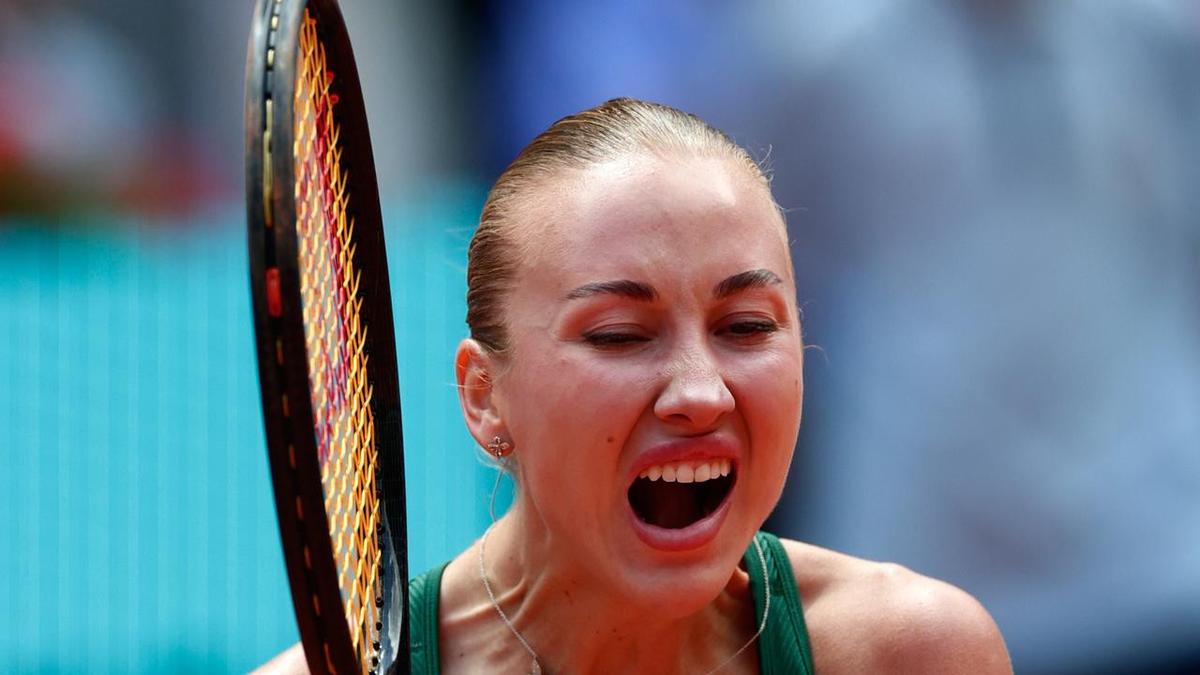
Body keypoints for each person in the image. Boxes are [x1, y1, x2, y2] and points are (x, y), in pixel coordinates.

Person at [259, 97, 1012, 674]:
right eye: (619, 334)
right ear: (484, 395)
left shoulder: (914, 653)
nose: (701, 393)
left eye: (746, 326)